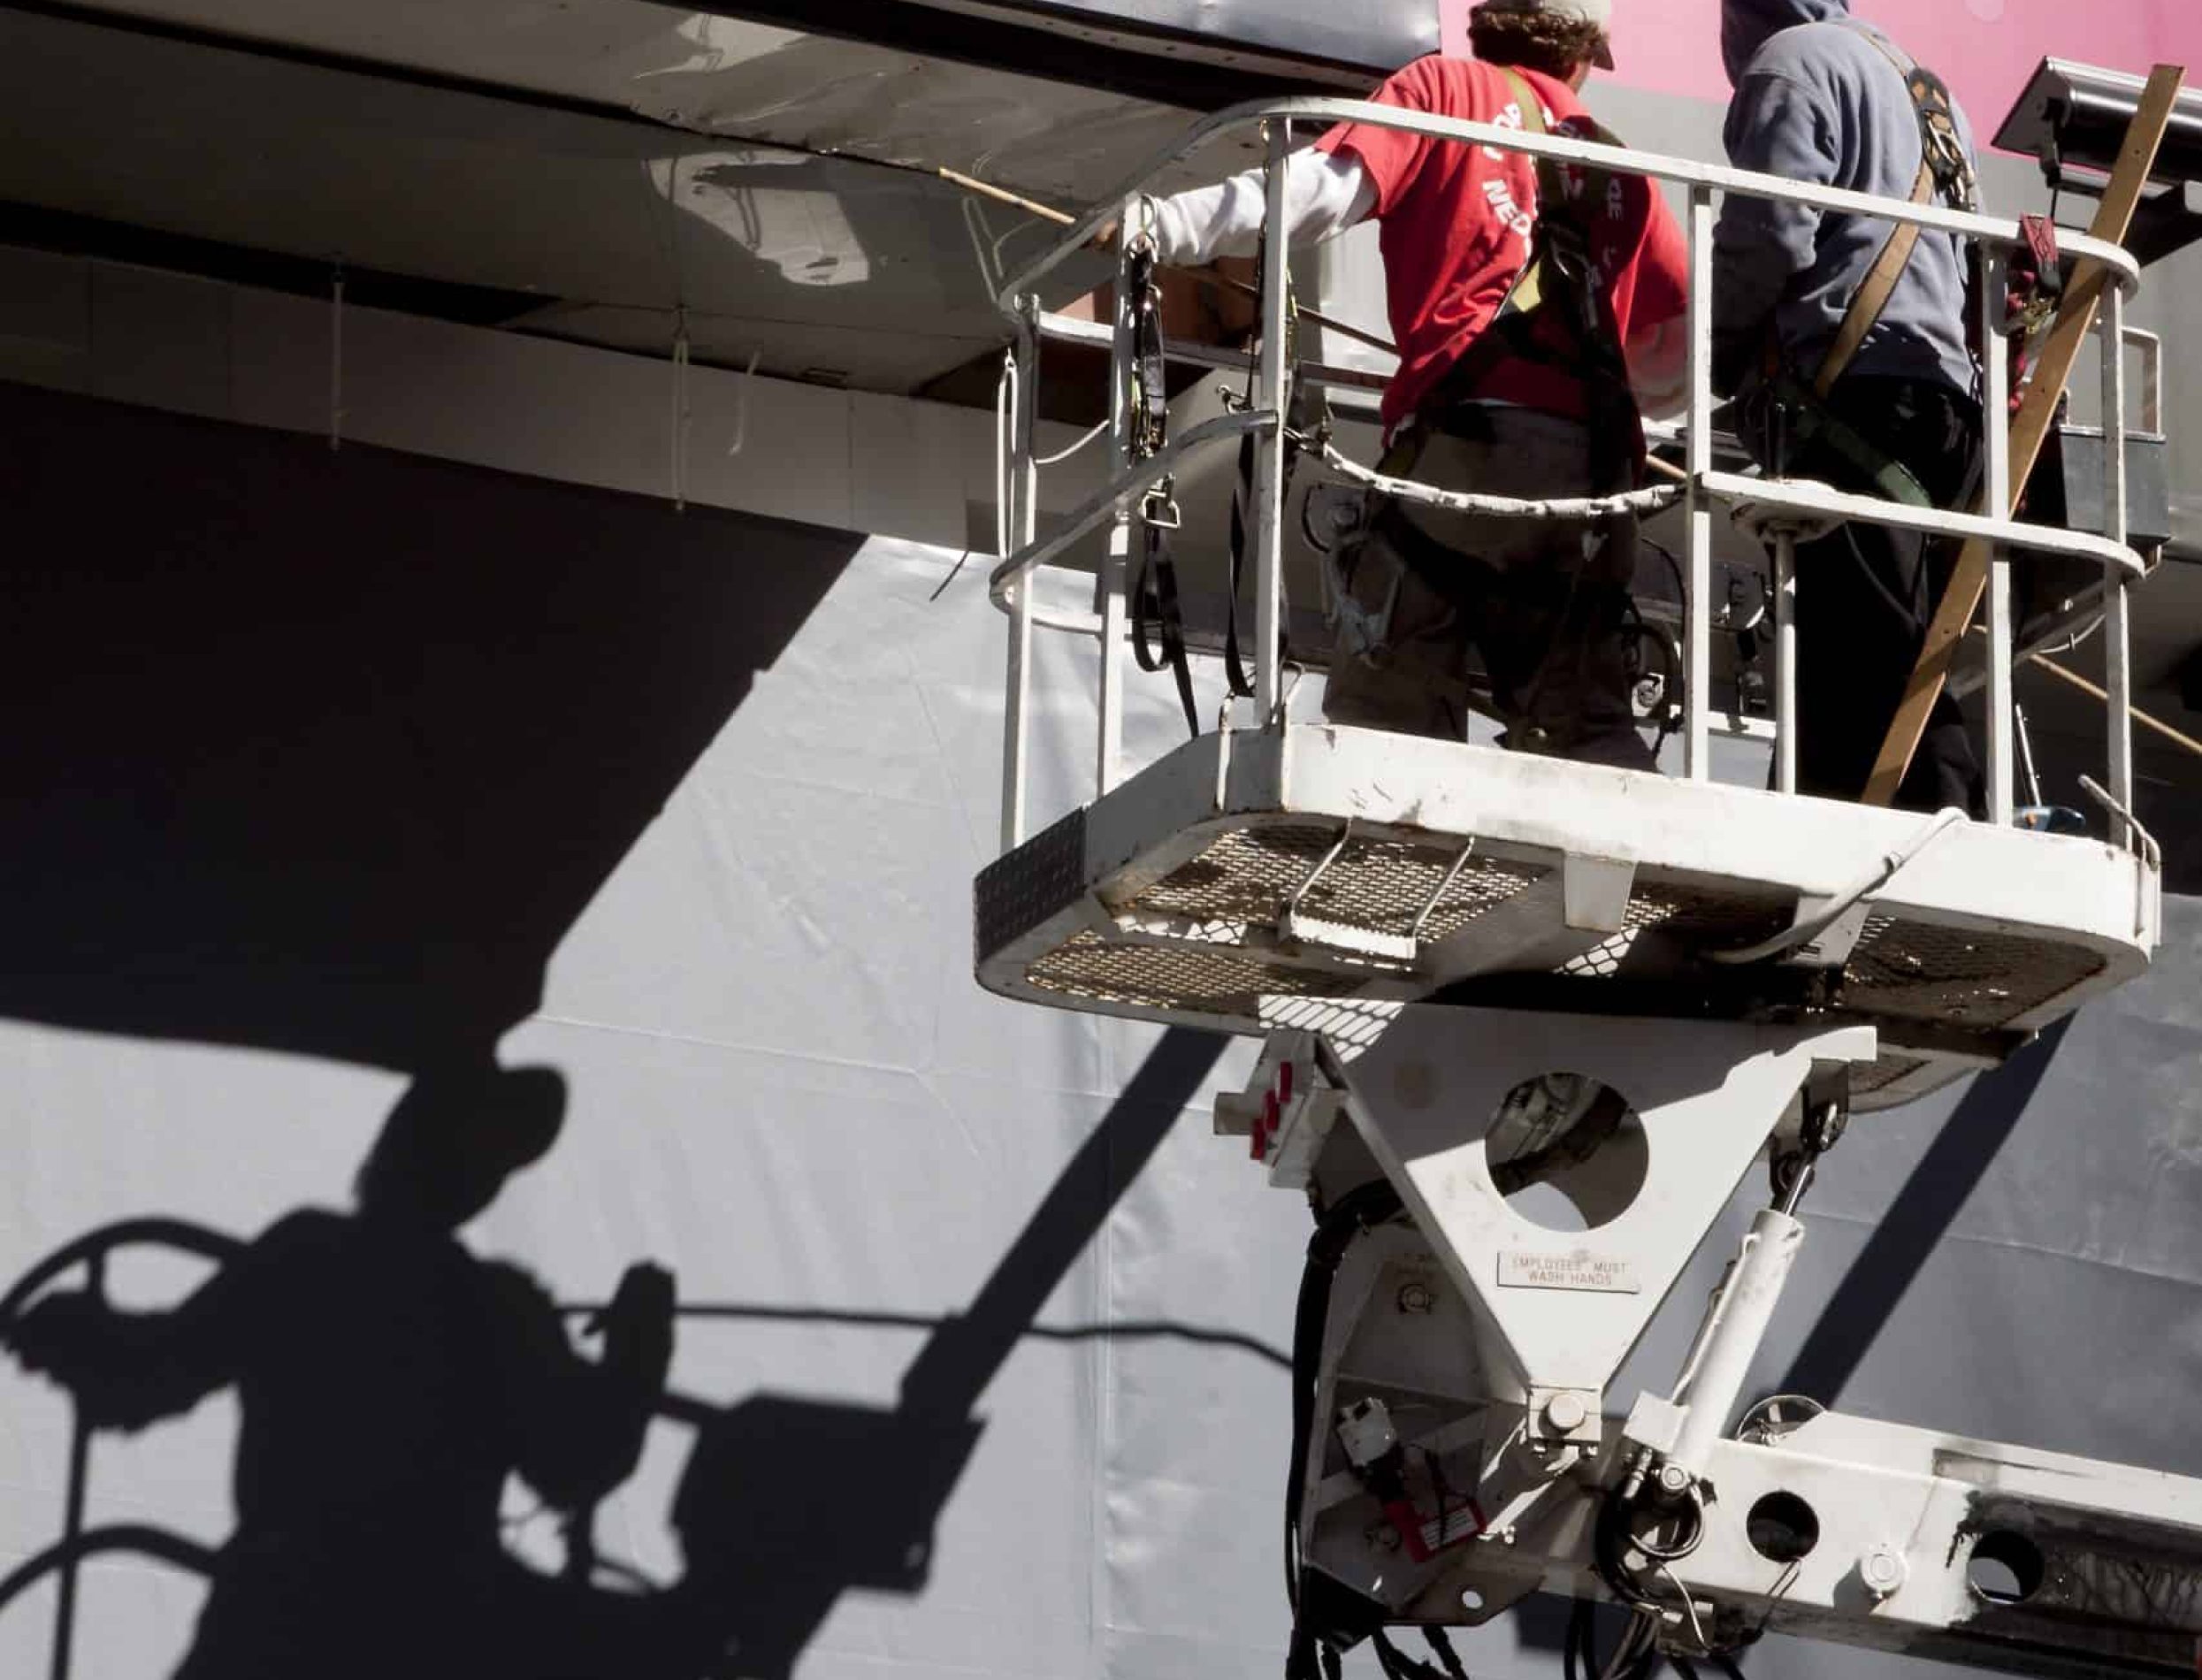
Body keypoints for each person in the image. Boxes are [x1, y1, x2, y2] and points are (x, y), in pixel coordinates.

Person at [1116, 0, 1689, 767]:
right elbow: (1671, 359)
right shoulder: (1613, 159)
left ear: (1488, 24)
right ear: (1581, 57)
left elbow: (1320, 191)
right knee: (1583, 723)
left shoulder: (1444, 89)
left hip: (1469, 443)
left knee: (1389, 707)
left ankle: (1383, 870)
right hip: (1594, 477)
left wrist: (1163, 225)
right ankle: (1628, 873)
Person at [4, 1060, 679, 1680]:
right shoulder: (499, 1306)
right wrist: (639, 1347)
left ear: (392, 1144)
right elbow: (578, 1462)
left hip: (268, 1622)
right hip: (427, 1634)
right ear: (480, 1187)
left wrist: (71, 1328)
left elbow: (143, 1377)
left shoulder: (305, 1255)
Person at [1714, 0, 1985, 812]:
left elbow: (1766, 233)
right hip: (1939, 402)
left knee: (1862, 653)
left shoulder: (1792, 61)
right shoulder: (1925, 87)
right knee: (1858, 649)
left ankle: (1948, 826)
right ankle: (1805, 853)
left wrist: (1713, 358)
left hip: (1855, 401)